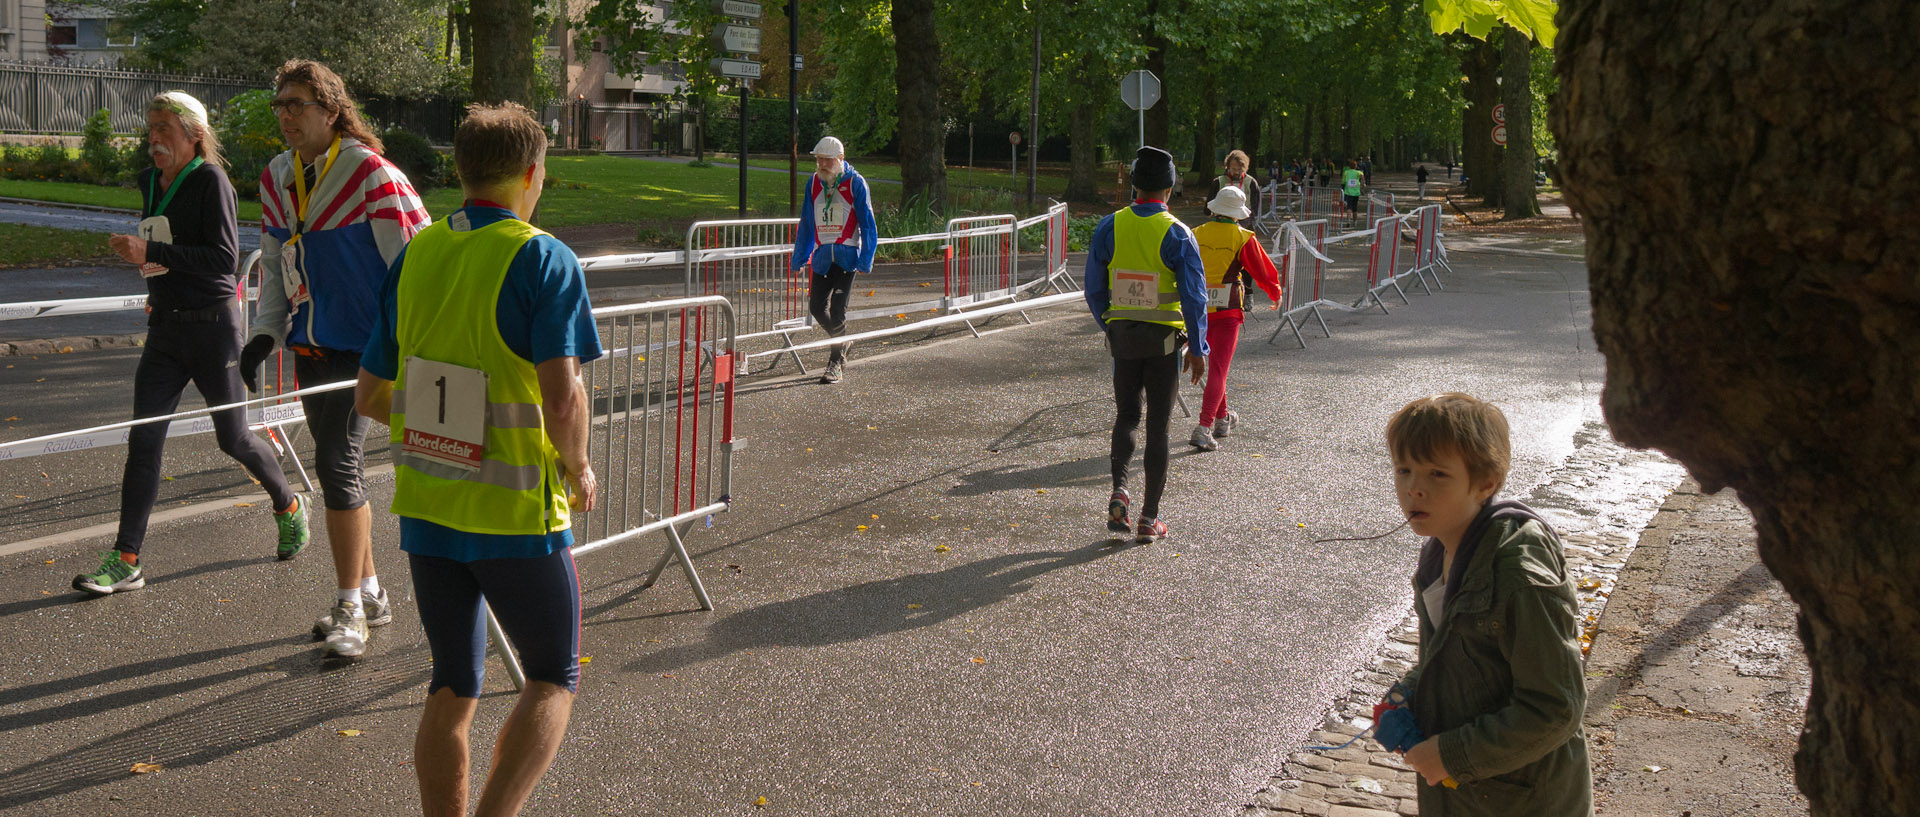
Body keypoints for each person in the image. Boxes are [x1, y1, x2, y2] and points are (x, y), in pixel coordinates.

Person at [354, 102, 602, 817]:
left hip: (431, 510)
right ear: (533, 174)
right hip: (516, 512)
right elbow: (563, 396)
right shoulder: (542, 256)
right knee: (553, 674)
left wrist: (447, 427)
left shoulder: (418, 253)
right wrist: (578, 465)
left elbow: (371, 394)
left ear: (461, 173)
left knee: (452, 683)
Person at [75, 92, 310, 597]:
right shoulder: (149, 182)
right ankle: (126, 559)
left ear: (193, 134)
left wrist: (152, 250)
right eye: (150, 127)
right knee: (143, 441)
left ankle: (288, 504)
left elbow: (225, 260)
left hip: (212, 329)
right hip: (165, 330)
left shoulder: (210, 181)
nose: (153, 138)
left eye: (164, 128)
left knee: (234, 438)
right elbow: (170, 249)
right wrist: (146, 264)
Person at [245, 59, 429, 657]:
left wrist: (405, 345)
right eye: (279, 105)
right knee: (333, 468)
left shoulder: (371, 174)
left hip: (367, 346)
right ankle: (372, 592)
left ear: (331, 109)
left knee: (337, 462)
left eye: (296, 104)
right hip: (311, 345)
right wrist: (266, 334)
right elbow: (276, 265)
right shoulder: (277, 177)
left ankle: (350, 605)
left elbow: (412, 267)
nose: (285, 116)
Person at [1375, 393, 1592, 816]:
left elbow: (1555, 708)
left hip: (1524, 799)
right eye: (1404, 470)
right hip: (1468, 794)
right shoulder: (1441, 548)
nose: (1414, 488)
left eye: (1437, 474)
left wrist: (1452, 755)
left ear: (1486, 484)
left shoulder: (1519, 574)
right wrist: (1412, 690)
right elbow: (1458, 654)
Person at [1084, 146, 1209, 544]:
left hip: (1123, 337)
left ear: (1134, 185)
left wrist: (1110, 323)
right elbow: (1194, 297)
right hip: (1164, 343)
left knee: (1126, 417)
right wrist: (1200, 348)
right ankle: (1148, 518)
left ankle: (1119, 489)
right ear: (1169, 189)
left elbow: (1093, 288)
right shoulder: (1178, 233)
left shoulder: (1109, 226)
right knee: (1158, 426)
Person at [1187, 185, 1282, 452]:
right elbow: (1262, 270)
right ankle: (1204, 427)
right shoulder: (1243, 237)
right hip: (1228, 311)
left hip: (1199, 309)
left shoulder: (1195, 234)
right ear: (1237, 214)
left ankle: (1222, 420)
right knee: (1219, 369)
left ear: (1216, 208)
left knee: (1217, 367)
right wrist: (1275, 292)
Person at [791, 135, 878, 385]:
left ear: (840, 159)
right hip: (821, 259)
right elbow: (807, 222)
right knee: (816, 307)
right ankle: (842, 342)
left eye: (827, 160)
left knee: (838, 311)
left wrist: (865, 259)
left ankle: (835, 363)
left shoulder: (856, 183)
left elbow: (868, 224)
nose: (821, 164)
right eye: (818, 159)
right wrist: (799, 258)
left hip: (847, 257)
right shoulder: (813, 183)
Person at [1210, 149, 1260, 225]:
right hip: (1221, 222)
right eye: (1233, 169)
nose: (1236, 172)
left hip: (1245, 223)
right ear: (1228, 167)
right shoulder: (1218, 182)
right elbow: (1209, 206)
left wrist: (1247, 220)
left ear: (1245, 168)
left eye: (1240, 169)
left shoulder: (1251, 183)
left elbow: (1255, 206)